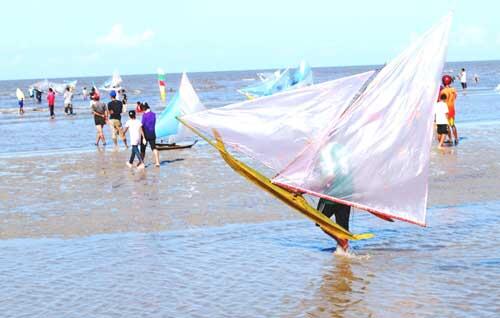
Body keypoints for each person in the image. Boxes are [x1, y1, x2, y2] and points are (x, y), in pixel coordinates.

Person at [440, 75, 459, 145]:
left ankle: (450, 139)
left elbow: (441, 100)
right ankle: (456, 139)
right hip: (452, 109)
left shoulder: (443, 91)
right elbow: (455, 97)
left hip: (446, 110)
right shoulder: (454, 90)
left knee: (447, 126)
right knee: (452, 125)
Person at [140, 103, 160, 167]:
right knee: (154, 148)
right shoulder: (154, 114)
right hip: (152, 133)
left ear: (143, 108)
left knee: (143, 150)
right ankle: (157, 162)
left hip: (145, 134)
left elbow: (142, 125)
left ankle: (142, 162)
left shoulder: (144, 115)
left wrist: (142, 136)